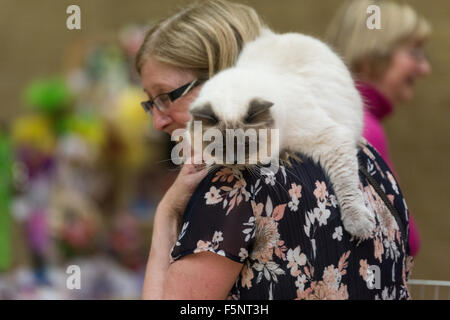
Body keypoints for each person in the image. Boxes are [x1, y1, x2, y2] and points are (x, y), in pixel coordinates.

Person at [137, 0, 413, 300]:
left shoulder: (233, 185)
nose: (157, 121)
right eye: (150, 103)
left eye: (165, 97)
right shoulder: (364, 155)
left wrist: (166, 213)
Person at [326, 0, 432, 258]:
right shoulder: (362, 128)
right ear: (372, 55)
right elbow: (400, 238)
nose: (425, 69)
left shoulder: (335, 114)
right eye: (414, 54)